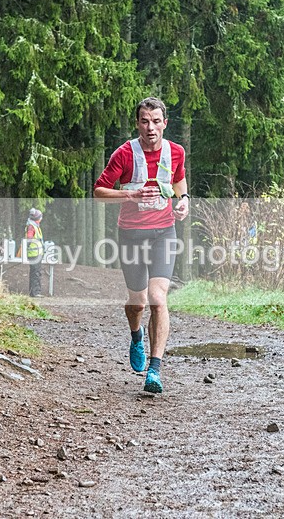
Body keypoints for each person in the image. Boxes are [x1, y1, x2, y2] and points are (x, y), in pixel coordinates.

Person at [94, 97, 190, 394]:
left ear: (165, 123)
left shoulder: (176, 152)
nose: (151, 127)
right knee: (138, 303)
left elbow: (179, 181)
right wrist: (129, 196)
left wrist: (184, 201)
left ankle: (155, 369)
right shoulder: (124, 154)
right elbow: (98, 191)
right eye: (145, 121)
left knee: (158, 298)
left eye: (156, 121)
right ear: (138, 123)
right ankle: (136, 335)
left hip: (164, 232)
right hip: (132, 234)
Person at [25, 208, 44, 297]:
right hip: (34, 254)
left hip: (37, 254)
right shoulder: (32, 227)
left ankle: (34, 292)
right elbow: (29, 239)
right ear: (38, 218)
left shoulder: (34, 226)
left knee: (36, 273)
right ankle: (35, 293)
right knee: (35, 274)